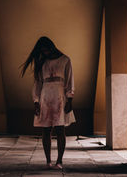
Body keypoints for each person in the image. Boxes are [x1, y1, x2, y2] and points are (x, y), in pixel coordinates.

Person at [21, 36, 76, 169]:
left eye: (46, 50)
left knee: (60, 129)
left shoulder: (65, 60)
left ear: (52, 47)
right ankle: (48, 161)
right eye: (42, 51)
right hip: (45, 99)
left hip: (59, 98)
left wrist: (70, 99)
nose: (45, 53)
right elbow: (38, 84)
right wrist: (36, 101)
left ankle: (59, 161)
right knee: (46, 130)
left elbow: (69, 81)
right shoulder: (42, 63)